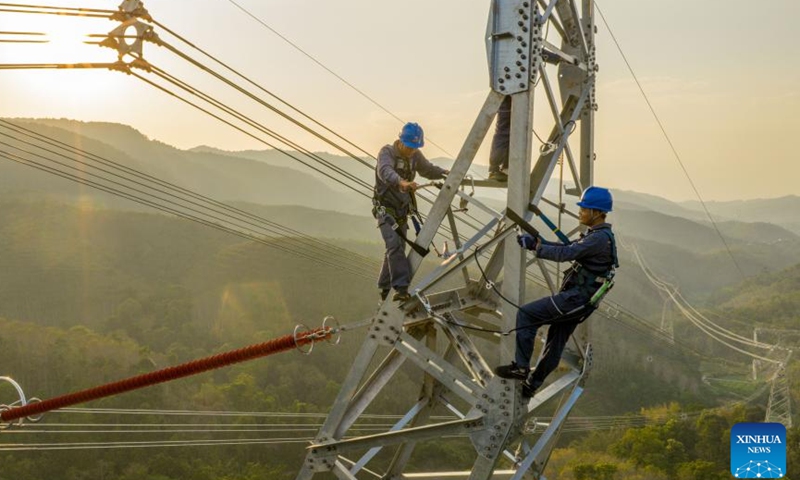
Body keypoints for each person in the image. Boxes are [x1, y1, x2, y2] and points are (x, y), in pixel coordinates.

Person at [494, 186, 618, 397]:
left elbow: (566, 253)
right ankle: (531, 386)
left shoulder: (597, 239)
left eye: (584, 209)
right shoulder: (599, 235)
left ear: (596, 212)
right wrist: (538, 244)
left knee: (527, 314)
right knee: (555, 343)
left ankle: (521, 367)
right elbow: (568, 248)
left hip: (575, 299)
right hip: (582, 302)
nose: (580, 212)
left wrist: (536, 247)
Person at [373, 122, 448, 302]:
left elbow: (427, 169)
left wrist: (445, 172)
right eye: (410, 147)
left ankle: (384, 287)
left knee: (397, 246)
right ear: (401, 141)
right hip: (386, 209)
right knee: (394, 245)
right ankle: (401, 288)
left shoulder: (415, 155)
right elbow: (385, 171)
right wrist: (402, 182)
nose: (412, 151)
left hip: (401, 209)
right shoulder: (387, 153)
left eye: (415, 148)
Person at [488, 96, 512, 182]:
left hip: (513, 94)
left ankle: (503, 168)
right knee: (504, 132)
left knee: (508, 133)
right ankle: (496, 169)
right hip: (511, 94)